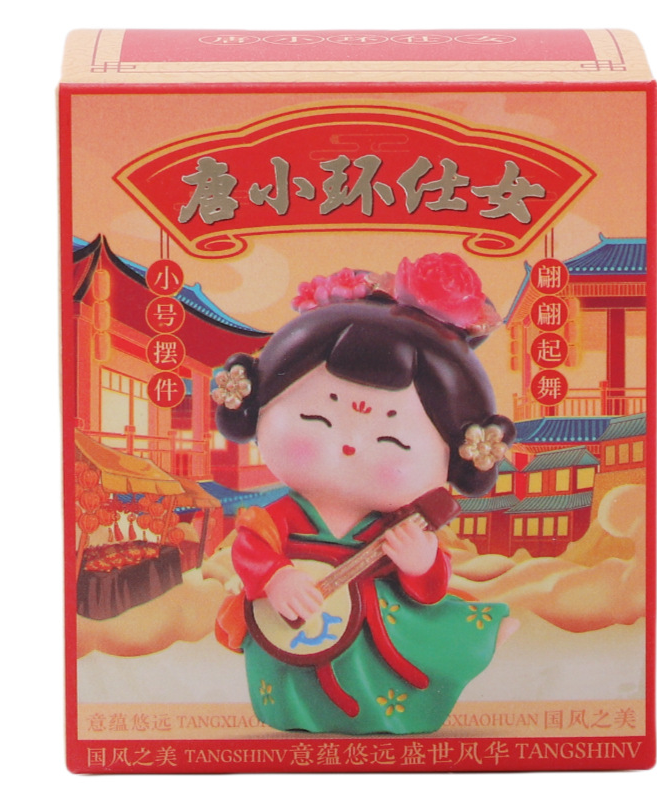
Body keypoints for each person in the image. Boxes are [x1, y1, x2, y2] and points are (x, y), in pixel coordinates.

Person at [214, 253, 515, 734]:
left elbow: (430, 585)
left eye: (391, 439)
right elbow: (251, 547)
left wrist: (420, 562)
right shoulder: (283, 515)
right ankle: (292, 710)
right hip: (291, 625)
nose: (350, 444)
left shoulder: (395, 523)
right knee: (287, 666)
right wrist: (276, 577)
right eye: (317, 418)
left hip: (378, 625)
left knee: (411, 639)